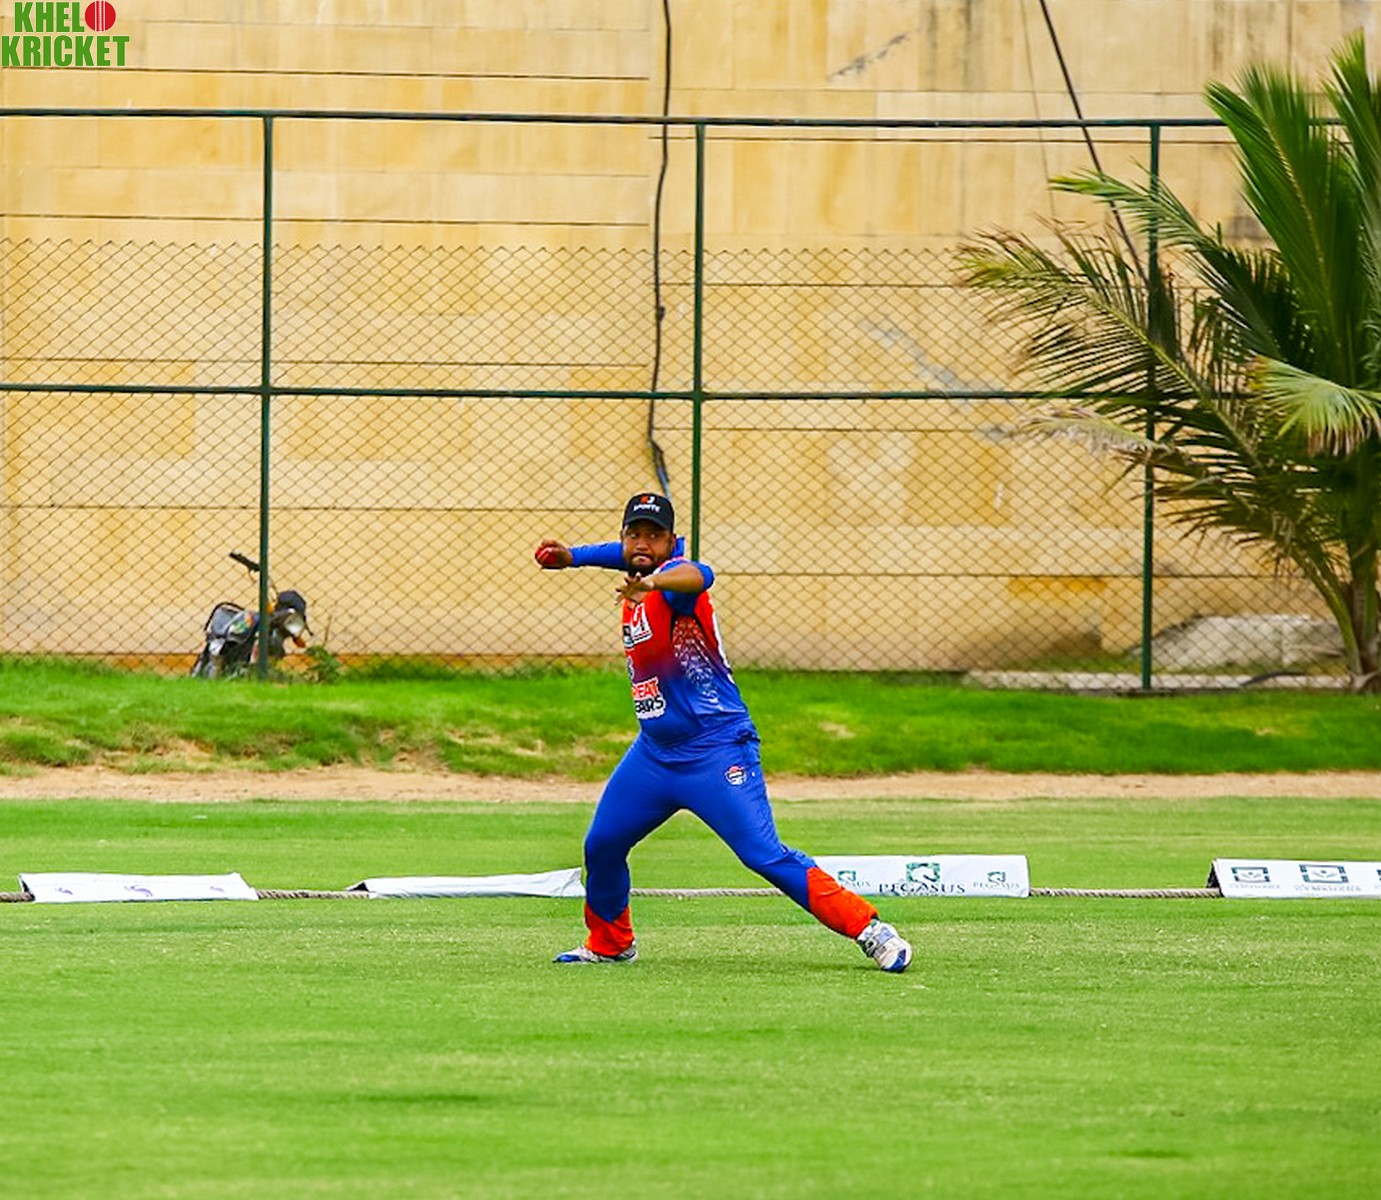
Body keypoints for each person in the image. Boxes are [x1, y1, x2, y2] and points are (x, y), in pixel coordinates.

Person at [533, 491, 912, 972]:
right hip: (655, 754)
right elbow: (623, 554)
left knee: (762, 854)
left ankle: (871, 930)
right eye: (634, 534)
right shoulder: (636, 568)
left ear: (673, 541)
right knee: (602, 845)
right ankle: (610, 943)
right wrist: (573, 557)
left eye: (655, 535)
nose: (643, 543)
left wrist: (652, 581)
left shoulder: (676, 583)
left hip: (715, 749)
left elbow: (701, 575)